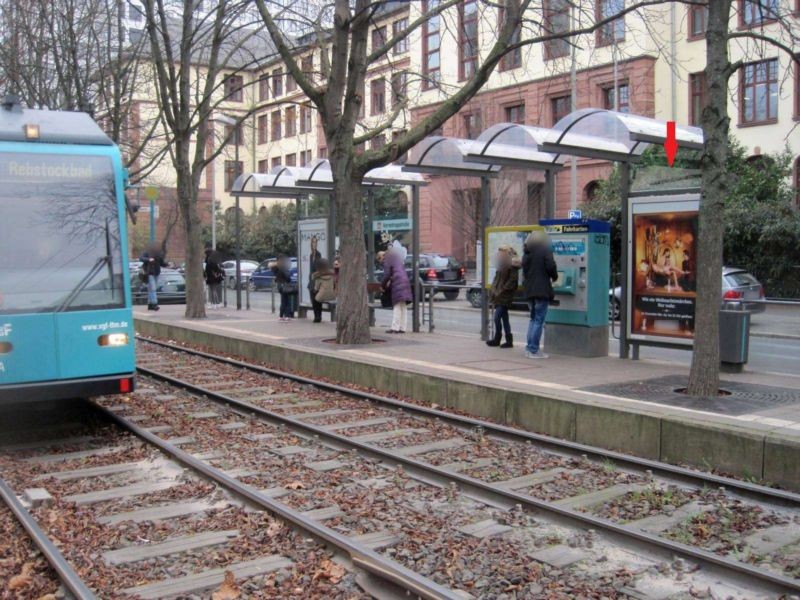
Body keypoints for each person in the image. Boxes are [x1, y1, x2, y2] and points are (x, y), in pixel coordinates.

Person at [521, 230, 558, 358]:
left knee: (533, 319)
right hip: (541, 290)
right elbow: (551, 266)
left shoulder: (527, 252)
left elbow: (525, 272)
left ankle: (528, 348)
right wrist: (555, 277)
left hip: (530, 291)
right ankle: (533, 350)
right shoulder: (545, 250)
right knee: (539, 321)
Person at [486, 245, 520, 349]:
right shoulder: (502, 264)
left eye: (501, 252)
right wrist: (494, 290)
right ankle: (508, 341)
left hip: (505, 295)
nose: (499, 254)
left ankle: (498, 339)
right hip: (499, 294)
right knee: (504, 318)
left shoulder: (512, 265)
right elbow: (497, 279)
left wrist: (501, 290)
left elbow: (512, 281)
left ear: (506, 253)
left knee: (497, 318)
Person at [380, 246, 412, 334]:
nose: (381, 261)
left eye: (380, 260)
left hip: (397, 283)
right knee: (403, 306)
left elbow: (386, 275)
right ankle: (403, 327)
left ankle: (395, 328)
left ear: (383, 256)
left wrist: (382, 286)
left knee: (397, 306)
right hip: (405, 282)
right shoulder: (397, 259)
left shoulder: (388, 259)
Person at [140, 244, 166, 311]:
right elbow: (141, 258)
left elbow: (161, 262)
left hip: (156, 273)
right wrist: (148, 259)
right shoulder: (146, 252)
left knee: (151, 289)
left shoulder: (158, 254)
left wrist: (167, 264)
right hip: (149, 273)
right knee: (153, 288)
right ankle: (155, 304)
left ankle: (150, 304)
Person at [311, 258, 336, 323]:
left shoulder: (318, 276)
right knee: (318, 297)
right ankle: (318, 316)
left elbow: (316, 288)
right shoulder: (332, 274)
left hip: (322, 296)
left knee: (315, 299)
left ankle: (317, 316)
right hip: (332, 295)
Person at [271, 255, 295, 321]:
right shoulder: (283, 268)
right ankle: (287, 316)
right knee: (287, 301)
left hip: (279, 285)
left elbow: (271, 266)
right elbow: (288, 278)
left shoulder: (276, 268)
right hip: (285, 286)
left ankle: (281, 316)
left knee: (283, 301)